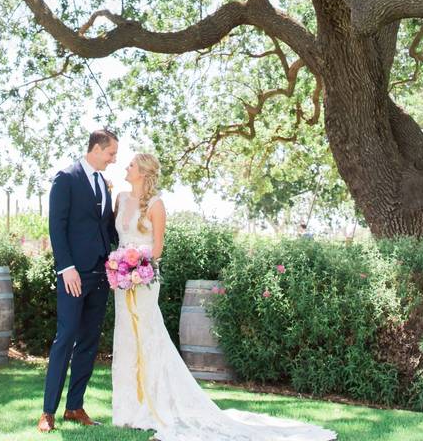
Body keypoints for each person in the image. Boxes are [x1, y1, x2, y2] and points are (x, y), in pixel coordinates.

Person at [111, 153, 337, 441]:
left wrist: (136, 269)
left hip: (143, 280)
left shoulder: (156, 205)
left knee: (148, 338)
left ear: (143, 172)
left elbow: (157, 250)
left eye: (130, 164)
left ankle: (154, 407)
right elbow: (116, 237)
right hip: (121, 282)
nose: (126, 168)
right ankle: (127, 411)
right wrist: (119, 267)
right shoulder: (120, 198)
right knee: (126, 341)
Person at [37, 129, 119, 433]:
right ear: (97, 149)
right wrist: (66, 267)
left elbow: (106, 227)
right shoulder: (66, 178)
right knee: (66, 337)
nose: (113, 160)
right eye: (111, 154)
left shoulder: (103, 183)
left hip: (100, 272)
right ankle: (48, 412)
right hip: (73, 274)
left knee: (88, 342)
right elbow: (56, 227)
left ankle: (75, 407)